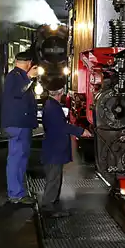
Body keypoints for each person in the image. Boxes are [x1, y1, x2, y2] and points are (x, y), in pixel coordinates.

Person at [1, 49, 39, 206]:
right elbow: (18, 93)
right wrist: (30, 78)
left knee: (20, 158)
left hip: (22, 124)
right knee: (16, 158)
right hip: (17, 124)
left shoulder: (18, 76)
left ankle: (19, 192)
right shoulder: (14, 77)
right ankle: (15, 194)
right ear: (29, 64)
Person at [41, 78, 84, 214]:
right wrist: (81, 131)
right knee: (53, 178)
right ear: (60, 92)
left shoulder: (50, 104)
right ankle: (48, 206)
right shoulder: (53, 107)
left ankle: (53, 202)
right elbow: (62, 127)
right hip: (54, 148)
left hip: (53, 147)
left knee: (55, 176)